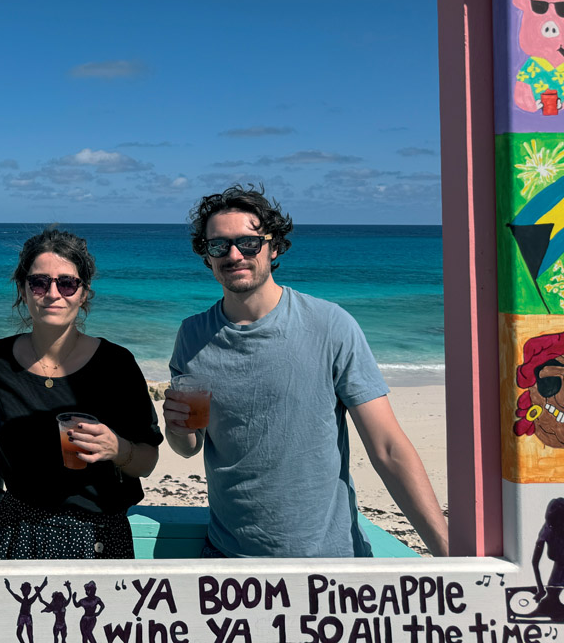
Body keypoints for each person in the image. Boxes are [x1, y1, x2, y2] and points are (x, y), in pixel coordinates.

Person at [164, 186, 449, 558]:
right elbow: (188, 447)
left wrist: (449, 554)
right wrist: (175, 427)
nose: (234, 255)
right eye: (218, 245)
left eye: (249, 243)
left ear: (274, 246)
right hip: (228, 560)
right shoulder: (192, 335)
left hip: (329, 563)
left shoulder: (330, 325)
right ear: (207, 256)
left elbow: (388, 448)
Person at [0, 228, 161, 559]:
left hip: (98, 534)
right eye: (39, 282)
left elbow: (147, 462)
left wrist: (118, 448)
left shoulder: (116, 364)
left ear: (83, 294)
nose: (53, 293)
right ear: (23, 290)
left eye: (67, 283)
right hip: (17, 530)